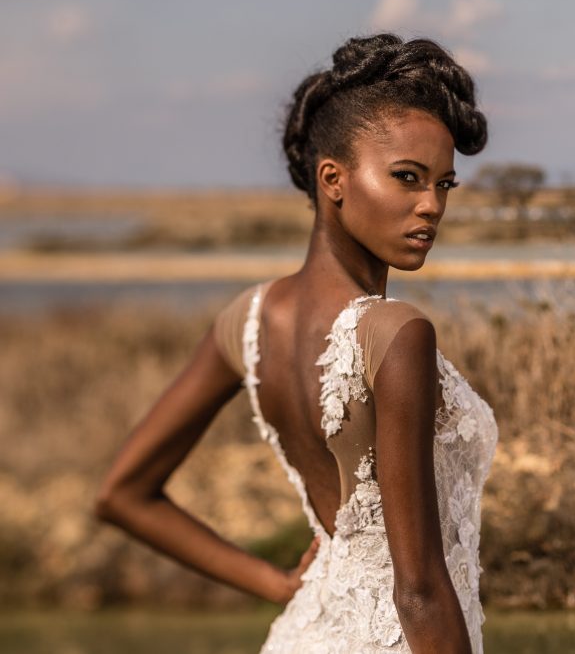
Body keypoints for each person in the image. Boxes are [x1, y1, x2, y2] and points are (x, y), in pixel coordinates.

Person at [95, 33, 498, 653]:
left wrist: (278, 583)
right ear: (332, 179)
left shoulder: (248, 320)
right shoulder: (396, 332)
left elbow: (122, 493)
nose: (431, 206)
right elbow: (417, 590)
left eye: (445, 184)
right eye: (407, 178)